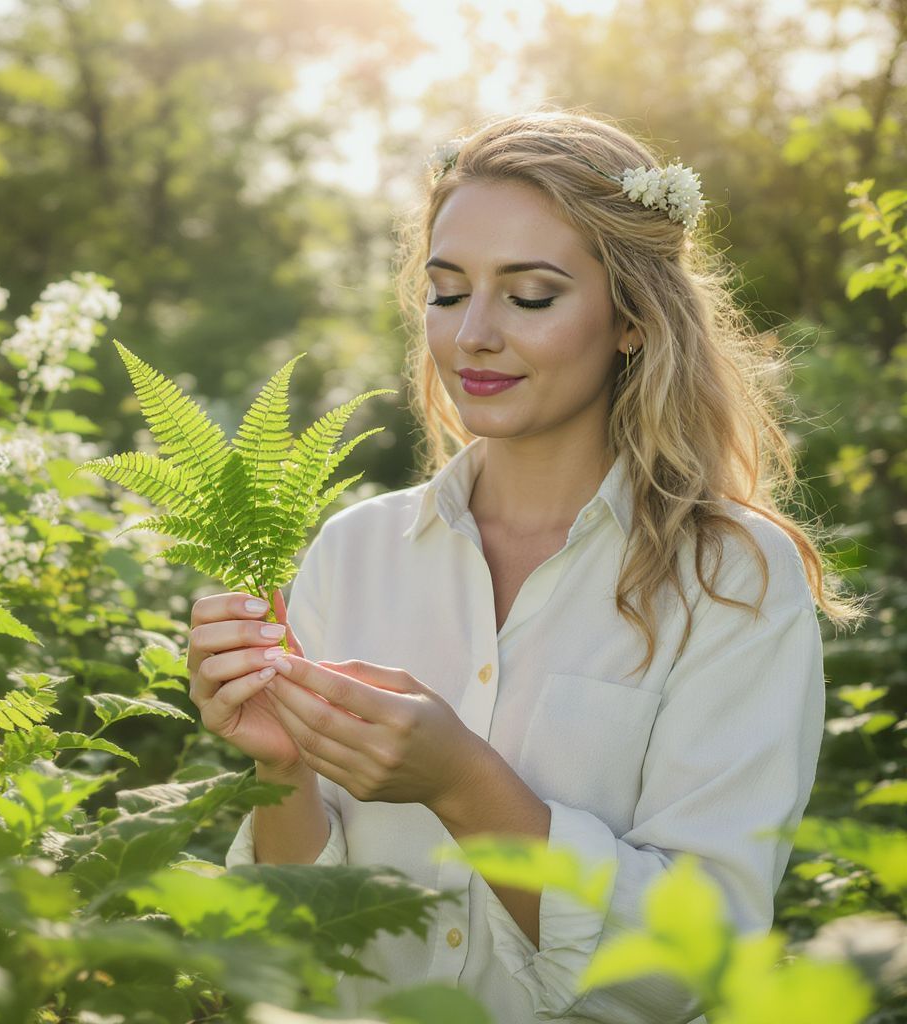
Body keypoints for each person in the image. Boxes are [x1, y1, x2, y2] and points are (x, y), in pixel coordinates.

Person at [186, 108, 860, 1023]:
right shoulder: (354, 551)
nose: (472, 336)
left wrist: (465, 784)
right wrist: (278, 769)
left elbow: (691, 964)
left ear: (631, 318)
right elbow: (288, 952)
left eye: (531, 295)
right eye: (448, 290)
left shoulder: (733, 579)